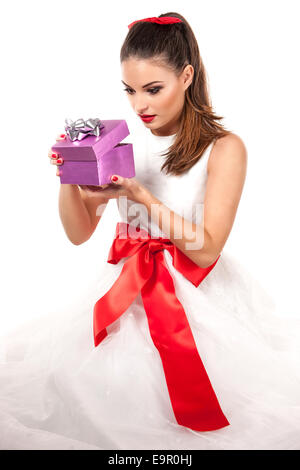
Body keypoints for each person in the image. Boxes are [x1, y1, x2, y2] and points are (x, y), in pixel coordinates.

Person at [1, 12, 300, 451]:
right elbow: (79, 234)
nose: (140, 105)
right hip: (126, 294)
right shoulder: (120, 141)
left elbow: (206, 249)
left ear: (186, 76)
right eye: (130, 90)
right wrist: (70, 180)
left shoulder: (224, 147)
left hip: (199, 300)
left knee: (217, 415)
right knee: (90, 398)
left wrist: (144, 200)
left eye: (153, 89)